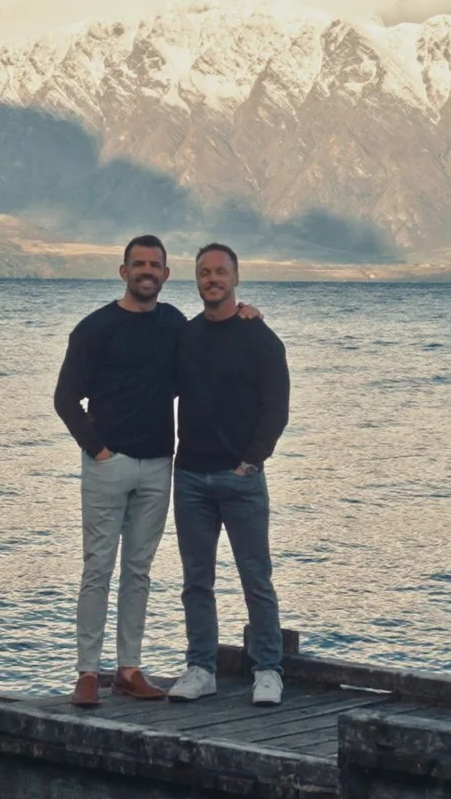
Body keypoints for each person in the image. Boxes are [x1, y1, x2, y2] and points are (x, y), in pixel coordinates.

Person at [52, 235, 259, 708]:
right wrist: (98, 449)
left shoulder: (174, 326)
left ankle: (128, 669)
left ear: (167, 275)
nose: (147, 271)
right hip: (109, 464)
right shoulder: (94, 328)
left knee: (139, 571)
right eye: (138, 264)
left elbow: (215, 333)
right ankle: (88, 671)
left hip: (160, 464)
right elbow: (65, 399)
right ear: (123, 271)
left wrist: (247, 315)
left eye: (156, 265)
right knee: (97, 568)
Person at [167, 242, 292, 707]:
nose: (212, 278)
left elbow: (276, 409)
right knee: (196, 580)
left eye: (221, 271)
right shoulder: (186, 336)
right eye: (204, 272)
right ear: (196, 280)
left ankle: (268, 670)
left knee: (256, 578)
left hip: (241, 479)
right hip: (192, 479)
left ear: (235, 278)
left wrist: (251, 461)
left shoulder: (260, 337)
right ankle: (201, 668)